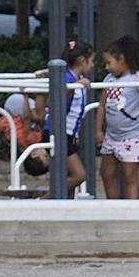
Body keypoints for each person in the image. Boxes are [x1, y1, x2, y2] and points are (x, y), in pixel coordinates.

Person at [96, 36, 139, 200]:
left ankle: (133, 208)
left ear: (122, 60)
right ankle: (113, 205)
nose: (107, 67)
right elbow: (101, 105)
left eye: (109, 63)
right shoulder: (109, 79)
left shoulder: (138, 77)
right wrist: (98, 129)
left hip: (131, 135)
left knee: (129, 175)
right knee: (106, 172)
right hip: (112, 135)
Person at [58, 40, 95, 195]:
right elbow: (57, 100)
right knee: (79, 175)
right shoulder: (67, 78)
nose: (93, 65)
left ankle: (64, 207)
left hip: (70, 133)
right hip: (61, 132)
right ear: (82, 61)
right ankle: (44, 199)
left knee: (70, 176)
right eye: (92, 61)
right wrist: (76, 87)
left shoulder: (73, 78)